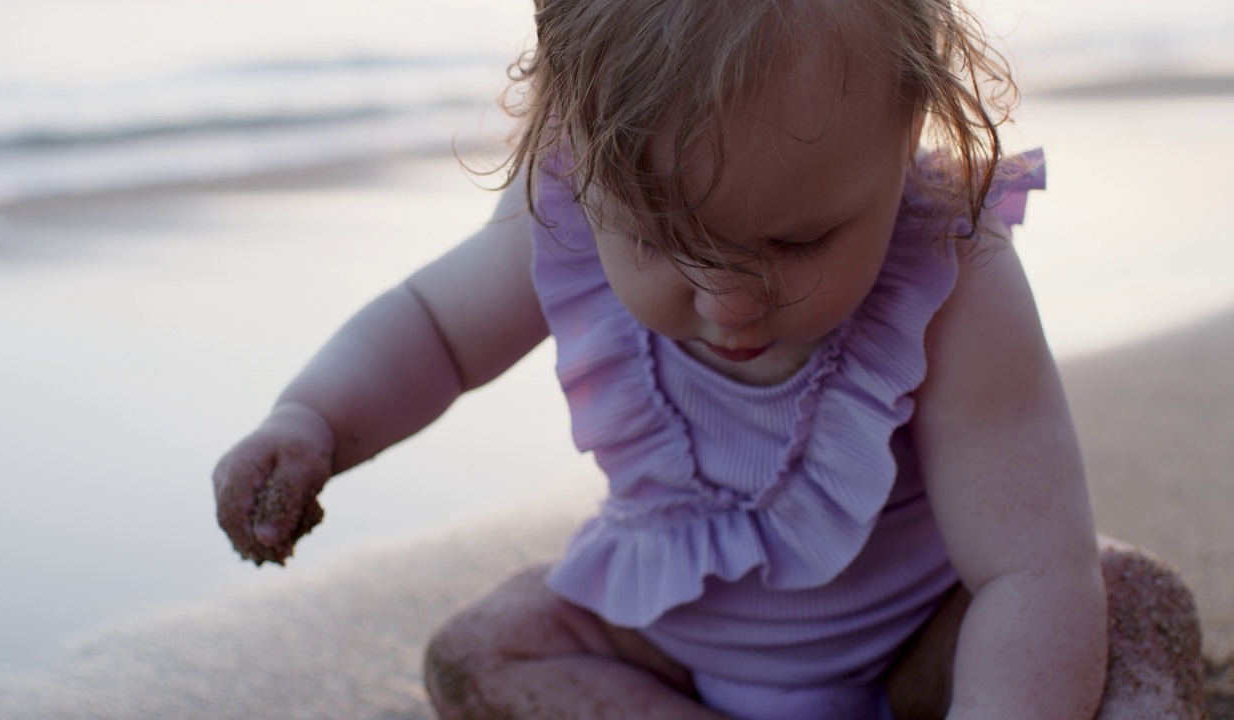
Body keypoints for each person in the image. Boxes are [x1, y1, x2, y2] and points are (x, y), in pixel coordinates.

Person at [213, 0, 1207, 717]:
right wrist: (312, 425)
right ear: (573, 146)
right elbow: (429, 329)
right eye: (660, 247)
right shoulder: (560, 218)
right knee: (479, 656)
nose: (728, 300)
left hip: (922, 648)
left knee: (1127, 606)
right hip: (670, 649)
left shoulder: (953, 275)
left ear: (906, 126)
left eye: (795, 242)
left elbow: (1027, 567)